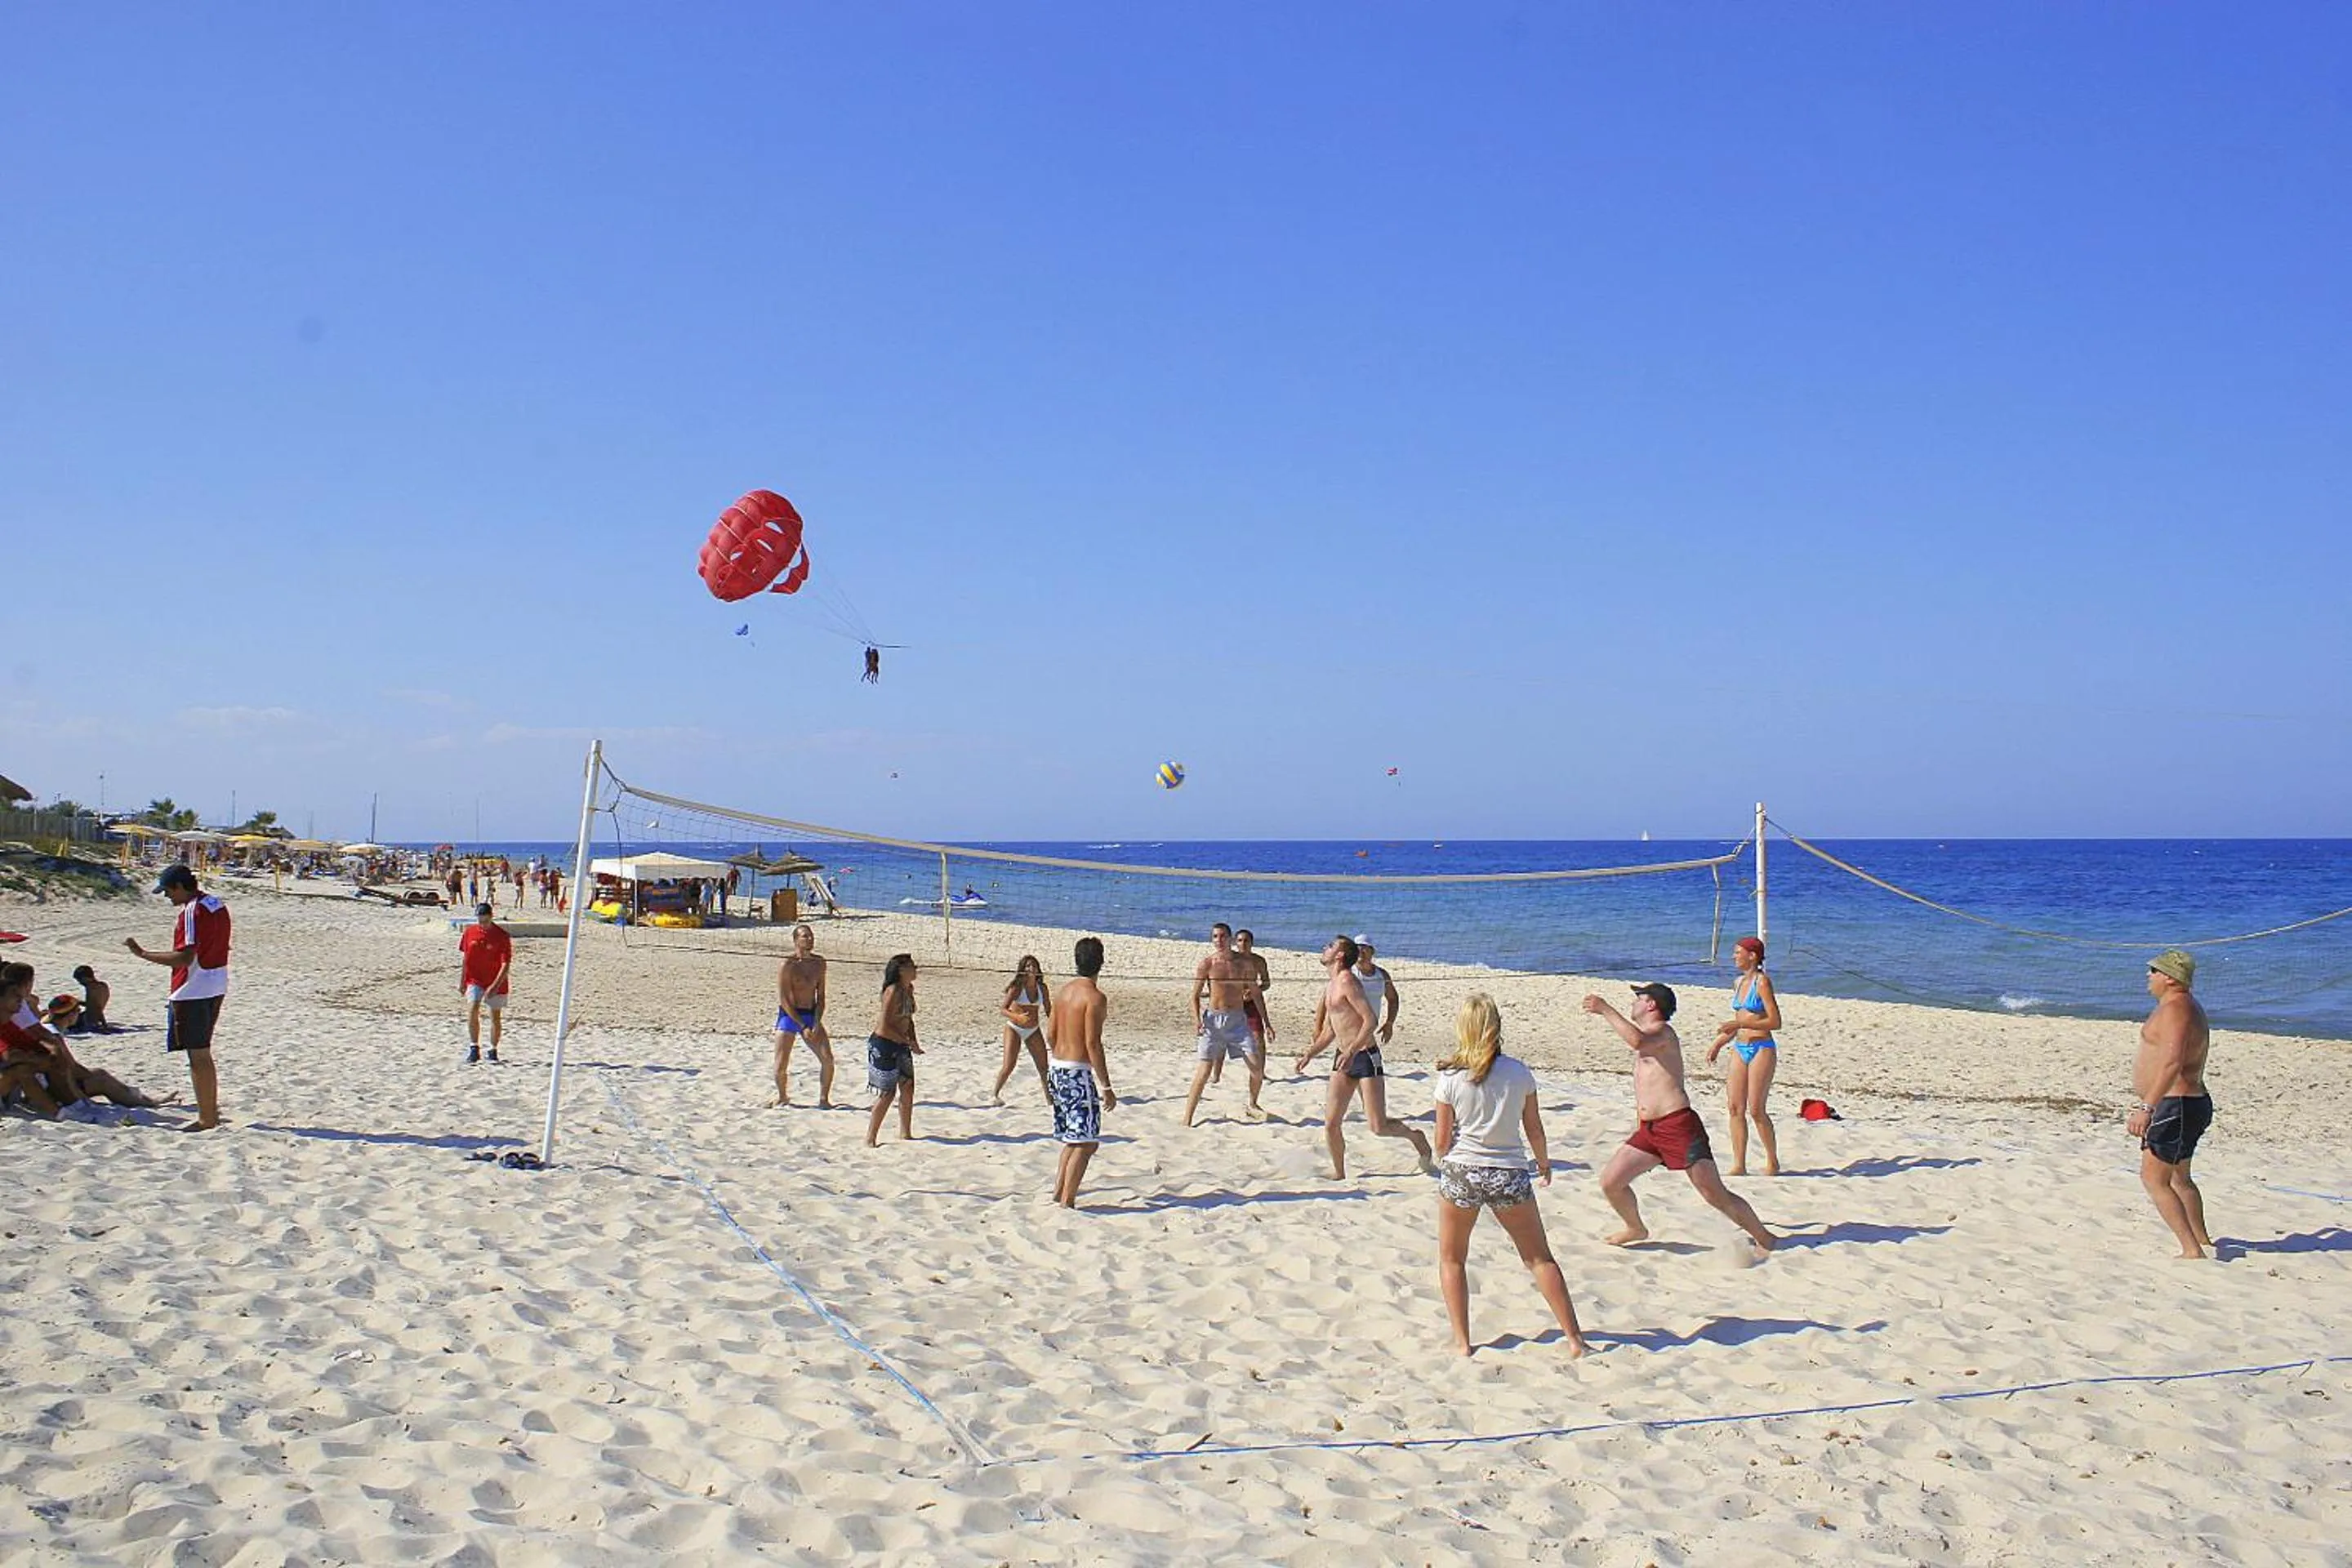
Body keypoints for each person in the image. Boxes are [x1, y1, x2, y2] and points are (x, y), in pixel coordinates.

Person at [1433, 992, 1587, 1358]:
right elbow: (1534, 1128)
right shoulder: (1519, 1073)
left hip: (1464, 1171)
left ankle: (1463, 1342)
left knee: (1452, 1259)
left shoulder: (1450, 1078)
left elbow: (1440, 1143)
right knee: (1539, 1259)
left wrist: (1448, 1157)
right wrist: (1544, 1162)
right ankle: (1574, 1340)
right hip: (1509, 1171)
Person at [1584, 984, 1775, 1258]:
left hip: (1678, 1126)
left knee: (1714, 1194)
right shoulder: (1650, 1034)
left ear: (1651, 1005)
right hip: (1650, 1130)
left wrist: (1604, 1009)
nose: (1633, 1004)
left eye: (1639, 999)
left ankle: (1764, 1237)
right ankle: (1635, 1228)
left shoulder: (1662, 1033)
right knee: (1611, 1182)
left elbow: (1637, 1041)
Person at [1298, 934, 1435, 1178]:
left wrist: (1352, 1051)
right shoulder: (1331, 984)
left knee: (1378, 1127)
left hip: (1364, 1056)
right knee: (1331, 1123)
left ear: (1339, 955)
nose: (1324, 948)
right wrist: (1309, 1054)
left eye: (1330, 946)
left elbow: (1370, 1020)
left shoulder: (1348, 982)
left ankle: (1416, 1137)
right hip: (1343, 1057)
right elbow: (1331, 1030)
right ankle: (1339, 1173)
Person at [123, 863, 230, 1131]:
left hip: (194, 988)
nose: (167, 897)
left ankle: (207, 1118)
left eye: (169, 891)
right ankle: (210, 1112)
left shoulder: (192, 911)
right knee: (202, 1051)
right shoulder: (216, 904)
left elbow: (185, 957)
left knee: (199, 1055)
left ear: (181, 887)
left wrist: (143, 955)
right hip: (216, 982)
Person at [2129, 949, 2214, 1259]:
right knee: (2180, 1177)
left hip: (2175, 1105)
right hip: (2184, 1104)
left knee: (2154, 1179)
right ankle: (2202, 1240)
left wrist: (2147, 1108)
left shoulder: (2177, 1008)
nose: (2148, 976)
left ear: (2169, 977)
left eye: (2153, 971)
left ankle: (2192, 1249)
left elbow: (2173, 1061)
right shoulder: (2182, 1006)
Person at [1048, 937, 1117, 1207]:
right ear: (1101, 962)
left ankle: (1058, 1192)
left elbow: (1050, 1035)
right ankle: (1068, 1200)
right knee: (1086, 1142)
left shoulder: (1063, 992)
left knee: (1074, 1138)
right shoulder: (1095, 997)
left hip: (1057, 1067)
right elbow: (1092, 1043)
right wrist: (1106, 1087)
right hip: (1077, 1071)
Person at [1705, 935, 1782, 1175]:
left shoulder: (1763, 982)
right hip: (1740, 1047)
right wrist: (1719, 1043)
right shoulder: (1738, 982)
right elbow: (1738, 1022)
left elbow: (1775, 1021)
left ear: (1752, 956)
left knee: (1756, 1109)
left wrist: (1740, 1025)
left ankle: (1772, 1160)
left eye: (1738, 952)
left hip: (1762, 1047)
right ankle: (1739, 1164)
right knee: (1734, 1107)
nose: (1734, 956)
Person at [1180, 924, 1268, 1125]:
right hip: (1213, 1021)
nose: (1218, 940)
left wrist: (1267, 1022)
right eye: (1215, 937)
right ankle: (1187, 1119)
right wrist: (1197, 1021)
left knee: (1257, 1069)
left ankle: (1253, 1103)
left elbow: (1256, 993)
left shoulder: (1244, 964)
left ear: (1229, 939)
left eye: (1222, 936)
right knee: (1203, 1072)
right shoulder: (1207, 964)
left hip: (1237, 1020)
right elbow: (1193, 996)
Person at [772, 924, 834, 1107]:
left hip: (810, 1013)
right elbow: (784, 999)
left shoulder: (819, 963)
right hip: (790, 1015)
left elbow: (821, 997)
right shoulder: (788, 964)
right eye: (805, 936)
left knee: (828, 1059)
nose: (810, 939)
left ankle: (824, 1099)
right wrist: (802, 1026)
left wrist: (815, 1022)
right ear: (796, 940)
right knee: (780, 1064)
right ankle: (783, 1096)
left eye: (811, 936)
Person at [866, 953, 923, 1146]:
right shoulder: (892, 991)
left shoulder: (908, 989)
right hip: (884, 1043)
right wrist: (906, 1041)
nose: (916, 969)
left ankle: (905, 1133)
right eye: (912, 966)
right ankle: (870, 1137)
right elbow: (884, 1026)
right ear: (901, 970)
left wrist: (913, 1040)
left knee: (908, 1088)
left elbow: (908, 1019)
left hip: (901, 1043)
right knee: (887, 1094)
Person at [992, 954, 1054, 1107]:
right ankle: (995, 1094)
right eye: (1027, 966)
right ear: (1022, 970)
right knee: (1009, 1065)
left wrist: (1058, 1026)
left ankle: (1050, 1101)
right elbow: (1003, 1009)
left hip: (1033, 1029)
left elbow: (1049, 1011)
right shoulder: (1017, 987)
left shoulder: (1042, 988)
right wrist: (1017, 1017)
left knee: (1043, 1067)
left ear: (1038, 969)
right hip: (1014, 1027)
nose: (1030, 969)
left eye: (1033, 966)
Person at [457, 903, 512, 1064]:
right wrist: (462, 981)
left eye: (486, 920)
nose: (483, 924)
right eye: (480, 920)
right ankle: (474, 1047)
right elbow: (465, 958)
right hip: (475, 979)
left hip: (496, 980)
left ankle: (493, 1049)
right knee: (473, 1007)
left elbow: (506, 964)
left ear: (491, 917)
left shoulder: (501, 936)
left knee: (495, 1015)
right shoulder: (470, 932)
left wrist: (495, 986)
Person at [1232, 929, 1276, 1058]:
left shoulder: (1258, 961)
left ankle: (1261, 1073)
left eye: (1246, 940)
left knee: (1258, 1038)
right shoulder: (1231, 960)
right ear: (1236, 943)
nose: (1243, 943)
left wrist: (1254, 990)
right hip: (1233, 1002)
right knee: (1224, 1039)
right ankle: (1216, 1074)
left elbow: (1266, 983)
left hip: (1252, 1002)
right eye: (1240, 940)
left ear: (1252, 943)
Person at [1354, 937, 1400, 1045]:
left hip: (1369, 1031)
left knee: (1374, 1061)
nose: (1361, 951)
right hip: (1349, 1032)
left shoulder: (1382, 975)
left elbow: (1393, 999)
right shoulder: (1347, 974)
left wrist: (1389, 1023)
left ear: (1372, 951)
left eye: (1364, 948)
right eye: (1357, 948)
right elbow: (1328, 1000)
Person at [71, 964, 112, 1031]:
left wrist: (104, 1024)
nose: (80, 983)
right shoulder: (103, 985)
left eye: (80, 980)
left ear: (85, 978)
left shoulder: (91, 988)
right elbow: (95, 1004)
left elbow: (96, 1007)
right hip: (95, 1018)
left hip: (88, 1020)